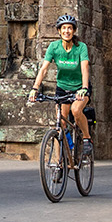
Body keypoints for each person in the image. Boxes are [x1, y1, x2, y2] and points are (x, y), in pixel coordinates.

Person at [27, 13, 91, 156]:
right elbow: (43, 69)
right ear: (59, 31)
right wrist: (34, 89)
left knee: (75, 110)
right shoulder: (54, 47)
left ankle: (87, 138)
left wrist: (84, 88)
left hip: (80, 87)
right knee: (60, 122)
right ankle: (63, 159)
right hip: (62, 87)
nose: (66, 31)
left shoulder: (81, 47)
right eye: (63, 28)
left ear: (73, 31)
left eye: (69, 28)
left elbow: (84, 68)